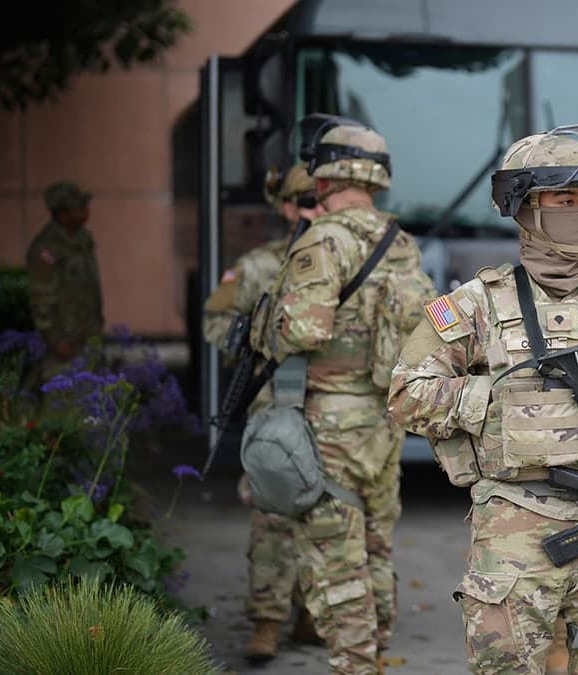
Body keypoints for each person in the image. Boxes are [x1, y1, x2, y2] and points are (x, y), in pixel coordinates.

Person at [388, 120, 578, 674]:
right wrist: (501, 403)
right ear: (525, 205)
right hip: (515, 523)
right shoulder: (475, 304)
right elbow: (406, 394)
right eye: (564, 196)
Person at [253, 119, 435, 674]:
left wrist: (264, 328)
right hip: (384, 422)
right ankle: (376, 657)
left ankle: (353, 665)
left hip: (331, 423)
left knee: (336, 558)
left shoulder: (323, 239)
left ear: (324, 173)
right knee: (377, 549)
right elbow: (435, 321)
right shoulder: (400, 242)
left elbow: (303, 331)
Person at [201, 162, 325, 660]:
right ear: (285, 207)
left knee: (329, 515)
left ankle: (313, 614)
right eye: (303, 203)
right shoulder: (258, 266)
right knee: (273, 513)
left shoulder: (356, 260)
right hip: (275, 406)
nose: (311, 212)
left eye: (319, 201)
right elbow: (216, 320)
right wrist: (254, 339)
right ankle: (268, 620)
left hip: (336, 408)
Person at [27, 180, 103, 372]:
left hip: (88, 333)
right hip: (65, 340)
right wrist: (55, 339)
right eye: (78, 207)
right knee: (63, 396)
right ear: (62, 214)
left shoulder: (83, 240)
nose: (85, 211)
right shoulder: (47, 247)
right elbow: (41, 296)